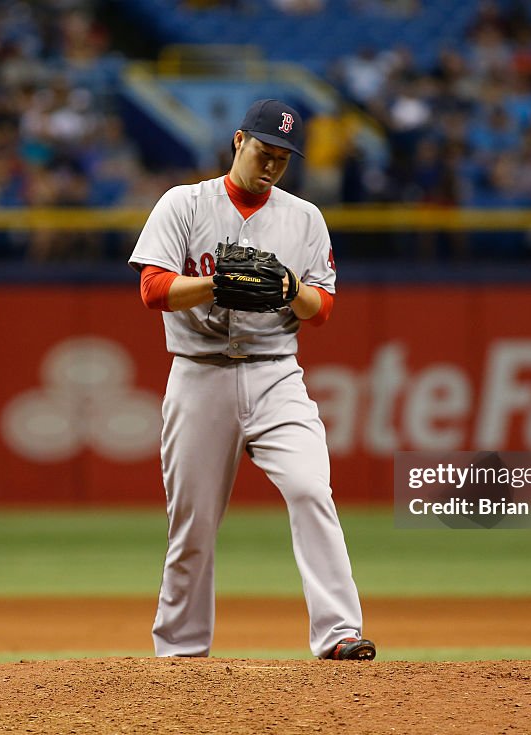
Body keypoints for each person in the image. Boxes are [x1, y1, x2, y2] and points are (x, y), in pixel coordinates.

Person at [128, 99, 376, 661]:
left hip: (274, 375)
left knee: (312, 488)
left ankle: (339, 633)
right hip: (199, 376)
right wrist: (218, 286)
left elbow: (323, 309)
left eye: (283, 158)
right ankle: (181, 651)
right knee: (192, 526)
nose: (271, 165)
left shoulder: (304, 217)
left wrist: (288, 288)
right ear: (239, 141)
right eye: (264, 151)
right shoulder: (184, 204)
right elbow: (153, 289)